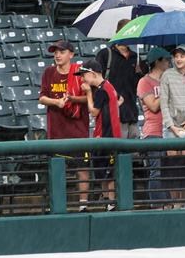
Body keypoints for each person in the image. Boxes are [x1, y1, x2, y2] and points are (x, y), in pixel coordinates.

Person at [38, 40, 90, 211]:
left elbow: (89, 98)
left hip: (77, 129)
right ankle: (57, 204)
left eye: (61, 51)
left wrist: (72, 99)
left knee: (81, 167)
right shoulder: (49, 72)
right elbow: (42, 97)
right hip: (57, 130)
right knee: (57, 168)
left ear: (71, 54)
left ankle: (83, 205)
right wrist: (57, 102)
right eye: (55, 52)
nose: (57, 55)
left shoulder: (80, 72)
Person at [77, 59, 122, 211]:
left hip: (106, 136)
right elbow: (120, 99)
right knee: (104, 172)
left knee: (107, 173)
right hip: (109, 135)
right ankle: (108, 202)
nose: (82, 79)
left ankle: (111, 202)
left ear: (92, 74)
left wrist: (89, 93)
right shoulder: (109, 86)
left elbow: (93, 111)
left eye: (84, 75)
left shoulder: (102, 90)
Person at [159, 44, 185, 209]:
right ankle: (175, 202)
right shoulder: (167, 75)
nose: (178, 59)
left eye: (182, 56)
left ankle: (183, 202)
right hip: (171, 128)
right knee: (172, 167)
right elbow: (163, 103)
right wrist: (171, 126)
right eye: (176, 56)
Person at [95, 19, 145, 139]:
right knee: (117, 154)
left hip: (132, 113)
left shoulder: (137, 58)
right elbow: (96, 81)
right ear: (117, 32)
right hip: (111, 114)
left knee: (135, 155)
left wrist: (141, 72)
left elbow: (140, 86)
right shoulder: (105, 54)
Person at [136, 47, 171, 207]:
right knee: (156, 171)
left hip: (170, 132)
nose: (170, 63)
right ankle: (157, 206)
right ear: (158, 62)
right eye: (166, 60)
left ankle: (169, 205)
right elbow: (154, 106)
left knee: (168, 172)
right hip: (153, 133)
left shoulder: (169, 80)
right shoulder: (145, 82)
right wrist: (165, 88)